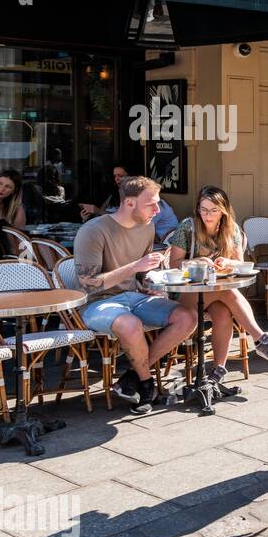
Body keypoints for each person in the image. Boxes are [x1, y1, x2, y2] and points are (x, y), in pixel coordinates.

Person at [75, 176, 198, 414]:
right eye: (151, 204)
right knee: (131, 325)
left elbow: (141, 274)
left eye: (158, 203)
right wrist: (134, 267)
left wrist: (150, 282)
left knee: (188, 317)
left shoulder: (147, 226)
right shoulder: (93, 230)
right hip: (97, 303)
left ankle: (131, 376)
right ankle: (146, 385)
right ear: (129, 203)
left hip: (134, 296)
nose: (158, 209)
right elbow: (89, 285)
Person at [164, 185, 268, 381]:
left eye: (213, 210)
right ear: (197, 209)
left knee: (223, 312)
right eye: (203, 210)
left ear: (223, 210)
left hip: (217, 292)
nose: (207, 215)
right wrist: (196, 263)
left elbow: (239, 264)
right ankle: (260, 339)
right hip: (189, 293)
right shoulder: (188, 227)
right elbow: (174, 264)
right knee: (227, 293)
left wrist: (228, 262)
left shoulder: (231, 229)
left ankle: (217, 371)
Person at [81, 164, 180, 240]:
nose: (117, 179)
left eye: (121, 176)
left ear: (132, 177)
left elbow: (139, 229)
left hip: (162, 245)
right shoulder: (114, 197)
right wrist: (88, 217)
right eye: (115, 176)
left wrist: (98, 211)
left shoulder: (151, 202)